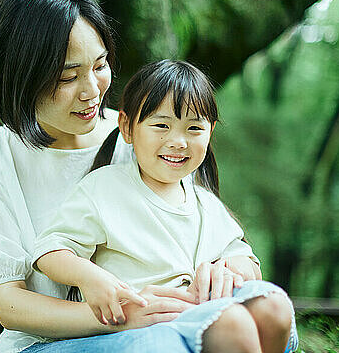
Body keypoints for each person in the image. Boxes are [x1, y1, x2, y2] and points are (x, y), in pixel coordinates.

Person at [0, 0, 277, 353]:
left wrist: (226, 267)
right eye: (67, 77)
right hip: (55, 343)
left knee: (268, 310)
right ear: (22, 76)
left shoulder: (150, 132)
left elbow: (209, 229)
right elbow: (10, 306)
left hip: (179, 322)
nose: (91, 89)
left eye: (99, 65)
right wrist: (121, 315)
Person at [32, 60, 299, 353]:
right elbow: (50, 252)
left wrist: (230, 268)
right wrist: (89, 277)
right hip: (139, 325)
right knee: (232, 321)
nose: (178, 141)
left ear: (210, 133)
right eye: (162, 125)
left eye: (194, 128)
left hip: (199, 316)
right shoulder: (104, 189)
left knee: (272, 305)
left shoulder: (205, 202)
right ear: (127, 127)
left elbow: (246, 261)